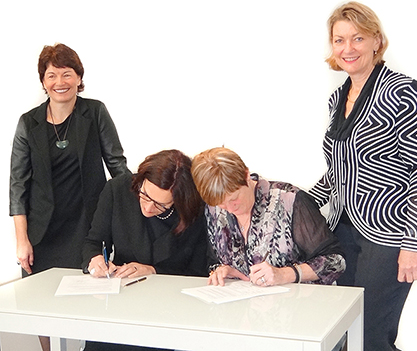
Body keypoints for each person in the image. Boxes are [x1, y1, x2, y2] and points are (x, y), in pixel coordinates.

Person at [309, 2, 417, 351]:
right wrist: (298, 201)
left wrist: (413, 245)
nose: (347, 48)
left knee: (371, 337)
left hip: (387, 235)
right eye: (339, 40)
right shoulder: (338, 98)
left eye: (358, 38)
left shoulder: (403, 90)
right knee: (341, 333)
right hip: (341, 233)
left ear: (377, 41)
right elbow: (338, 172)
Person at [9, 43, 130, 351]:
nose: (59, 82)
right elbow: (18, 183)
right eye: (52, 75)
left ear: (79, 77)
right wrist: (22, 239)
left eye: (67, 73)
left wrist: (134, 213)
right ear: (43, 81)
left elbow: (117, 165)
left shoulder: (95, 112)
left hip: (87, 225)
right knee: (41, 303)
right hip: (43, 230)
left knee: (92, 295)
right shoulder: (28, 122)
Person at [82, 149, 208, 351]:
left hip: (170, 309)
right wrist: (95, 260)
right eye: (145, 195)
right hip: (120, 301)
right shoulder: (117, 190)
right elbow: (93, 242)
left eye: (160, 204)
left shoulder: (194, 209)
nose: (148, 208)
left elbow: (199, 271)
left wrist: (154, 271)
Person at [191, 147, 345, 288]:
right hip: (241, 309)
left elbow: (335, 261)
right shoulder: (213, 209)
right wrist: (222, 270)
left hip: (296, 307)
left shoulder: (289, 201)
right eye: (221, 204)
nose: (230, 209)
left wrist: (284, 274)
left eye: (234, 198)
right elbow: (213, 260)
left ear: (246, 176)